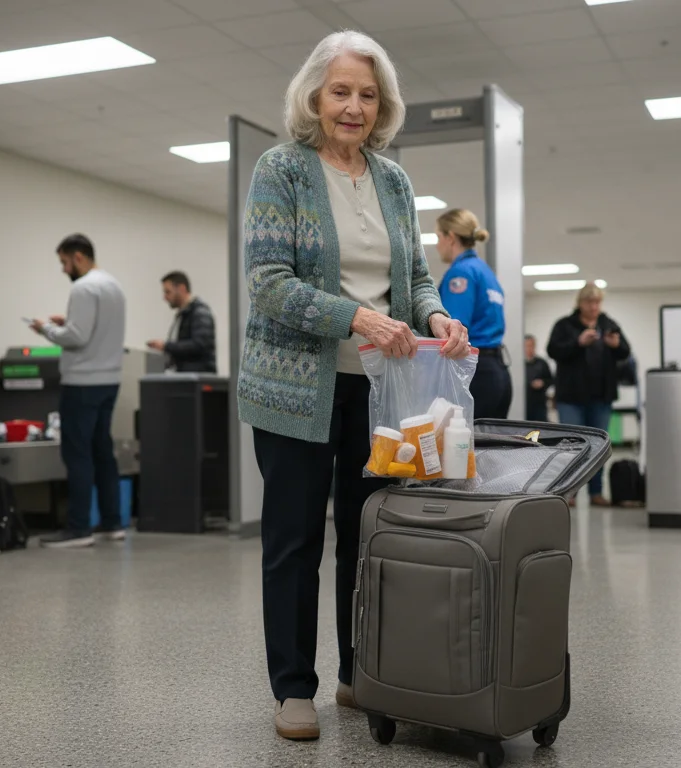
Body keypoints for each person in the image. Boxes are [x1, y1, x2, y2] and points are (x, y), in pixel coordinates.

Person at [238, 30, 471, 741]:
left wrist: (433, 314)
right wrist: (361, 318)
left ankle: (357, 675)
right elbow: (270, 285)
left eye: (368, 95)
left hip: (381, 394)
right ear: (315, 93)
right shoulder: (280, 170)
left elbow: (416, 274)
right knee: (295, 540)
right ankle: (292, 689)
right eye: (341, 91)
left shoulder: (392, 179)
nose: (354, 107)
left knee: (370, 542)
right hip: (294, 391)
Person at [28, 234, 127, 548]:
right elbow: (91, 329)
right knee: (102, 453)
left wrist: (46, 328)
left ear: (79, 256)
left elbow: (77, 338)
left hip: (82, 383)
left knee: (78, 455)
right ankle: (112, 523)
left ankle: (78, 527)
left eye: (64, 262)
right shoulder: (114, 285)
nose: (64, 269)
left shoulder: (83, 287)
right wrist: (69, 323)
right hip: (109, 381)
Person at [547, 282, 630, 506]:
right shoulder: (565, 325)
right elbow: (553, 350)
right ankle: (569, 491)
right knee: (571, 446)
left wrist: (616, 345)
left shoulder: (609, 324)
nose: (594, 307)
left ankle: (596, 493)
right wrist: (578, 342)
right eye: (589, 302)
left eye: (597, 302)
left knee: (599, 447)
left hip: (601, 397)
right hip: (571, 397)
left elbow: (625, 352)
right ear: (580, 303)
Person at [434, 208, 511, 419]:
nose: (437, 243)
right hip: (498, 371)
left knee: (463, 445)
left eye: (438, 236)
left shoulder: (461, 273)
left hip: (474, 371)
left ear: (451, 237)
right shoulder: (485, 272)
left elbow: (454, 327)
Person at [148, 271, 217, 373]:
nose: (165, 297)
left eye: (168, 292)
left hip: (197, 379)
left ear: (181, 289)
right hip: (187, 377)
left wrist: (166, 346)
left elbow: (199, 345)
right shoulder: (184, 314)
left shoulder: (199, 312)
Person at [524, 334, 553, 422]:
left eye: (532, 345)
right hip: (524, 404)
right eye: (527, 346)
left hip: (539, 404)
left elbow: (551, 380)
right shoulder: (518, 365)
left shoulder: (542, 363)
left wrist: (542, 383)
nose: (530, 349)